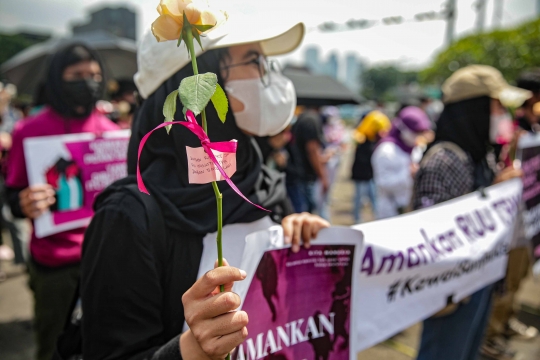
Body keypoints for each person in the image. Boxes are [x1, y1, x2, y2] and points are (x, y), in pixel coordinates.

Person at [81, 19, 330, 359]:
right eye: (255, 61)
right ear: (200, 82)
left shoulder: (264, 184)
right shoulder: (127, 219)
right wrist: (188, 350)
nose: (270, 76)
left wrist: (298, 238)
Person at [5, 43, 119, 360]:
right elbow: (12, 194)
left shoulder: (111, 133)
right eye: (78, 75)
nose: (89, 82)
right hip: (54, 264)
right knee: (53, 344)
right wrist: (23, 203)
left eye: (95, 75)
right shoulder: (29, 130)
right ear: (58, 78)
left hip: (103, 257)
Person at [411, 65, 530, 360]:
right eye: (497, 105)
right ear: (475, 108)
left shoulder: (481, 155)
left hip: (478, 279)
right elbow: (432, 233)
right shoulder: (445, 160)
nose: (504, 113)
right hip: (453, 290)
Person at [481, 68, 540, 360]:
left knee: (519, 277)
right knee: (504, 281)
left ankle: (505, 323)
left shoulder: (532, 129)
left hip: (531, 219)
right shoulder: (509, 131)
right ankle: (491, 334)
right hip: (510, 222)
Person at [371, 106, 432, 219]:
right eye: (416, 132)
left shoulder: (415, 148)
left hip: (412, 208)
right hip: (391, 211)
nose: (418, 136)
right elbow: (383, 182)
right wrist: (409, 174)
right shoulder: (386, 150)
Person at [351, 110, 391, 224]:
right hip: (361, 175)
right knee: (359, 198)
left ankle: (377, 220)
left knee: (374, 199)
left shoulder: (375, 140)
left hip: (371, 175)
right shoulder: (361, 138)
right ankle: (357, 220)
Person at [287, 106, 328, 214]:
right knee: (313, 212)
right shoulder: (311, 120)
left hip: (297, 173)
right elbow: (312, 150)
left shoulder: (302, 118)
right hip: (306, 175)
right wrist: (323, 176)